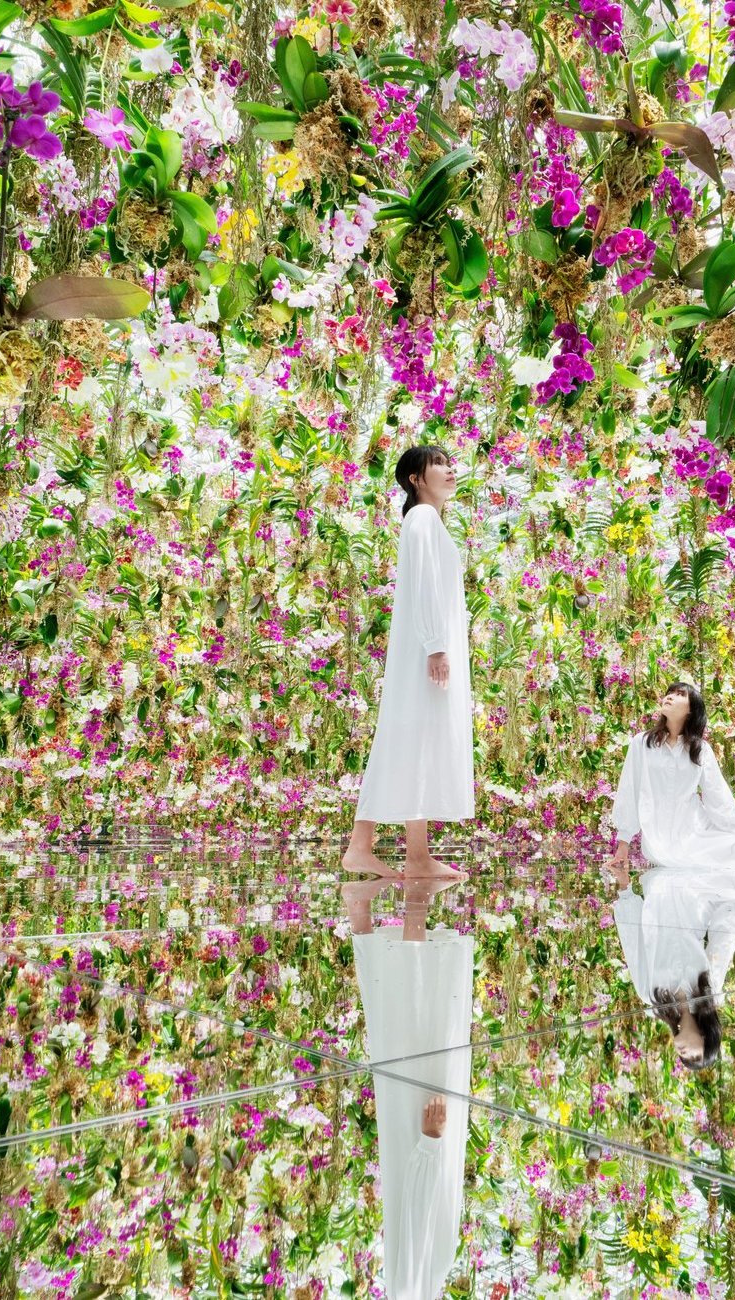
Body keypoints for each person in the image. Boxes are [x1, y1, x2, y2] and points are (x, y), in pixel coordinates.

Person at [602, 683, 735, 1068]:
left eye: (678, 695)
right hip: (663, 843)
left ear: (692, 709)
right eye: (694, 1054)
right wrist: (623, 843)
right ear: (705, 1038)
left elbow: (719, 799)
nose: (668, 696)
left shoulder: (655, 1001)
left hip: (698, 832)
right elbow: (629, 791)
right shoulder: (642, 744)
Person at [345, 446, 473, 880]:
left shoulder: (430, 522)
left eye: (449, 462)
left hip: (428, 649)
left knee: (418, 742)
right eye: (438, 463)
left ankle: (416, 854)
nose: (450, 469)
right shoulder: (421, 519)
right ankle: (362, 845)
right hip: (425, 652)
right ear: (416, 479)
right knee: (407, 738)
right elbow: (422, 585)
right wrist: (436, 645)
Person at [343, 876, 472, 1298]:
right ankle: (360, 911)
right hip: (422, 1138)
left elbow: (416, 1224)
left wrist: (430, 1145)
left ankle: (414, 896)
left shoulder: (416, 1292)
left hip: (423, 1135)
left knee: (416, 1023)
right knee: (400, 1024)